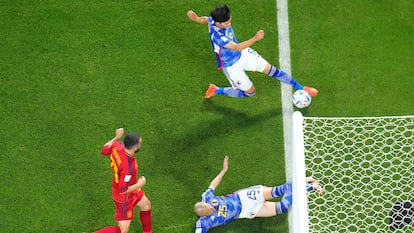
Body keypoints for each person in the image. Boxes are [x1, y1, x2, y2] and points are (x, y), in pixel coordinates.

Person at [187, 5, 319, 99]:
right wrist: (255, 38)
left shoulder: (214, 20)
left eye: (230, 21)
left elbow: (207, 20)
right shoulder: (218, 37)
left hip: (244, 54)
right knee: (250, 93)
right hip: (232, 66)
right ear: (219, 23)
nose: (229, 24)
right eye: (227, 23)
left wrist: (197, 19)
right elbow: (236, 47)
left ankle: (302, 87)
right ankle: (216, 90)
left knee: (273, 70)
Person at [193, 156, 324, 233]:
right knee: (283, 207)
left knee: (277, 190)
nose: (211, 207)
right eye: (210, 210)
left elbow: (212, 185)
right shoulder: (204, 223)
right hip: (248, 211)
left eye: (209, 206)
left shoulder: (207, 197)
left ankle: (308, 185)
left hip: (245, 197)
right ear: (205, 215)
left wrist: (224, 170)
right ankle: (306, 184)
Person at [93, 128, 152, 233]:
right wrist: (139, 184)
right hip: (124, 198)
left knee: (146, 205)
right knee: (121, 231)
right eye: (139, 144)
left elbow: (104, 150)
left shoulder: (117, 145)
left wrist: (116, 137)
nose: (140, 146)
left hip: (131, 189)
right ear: (135, 147)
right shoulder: (128, 168)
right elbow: (123, 189)